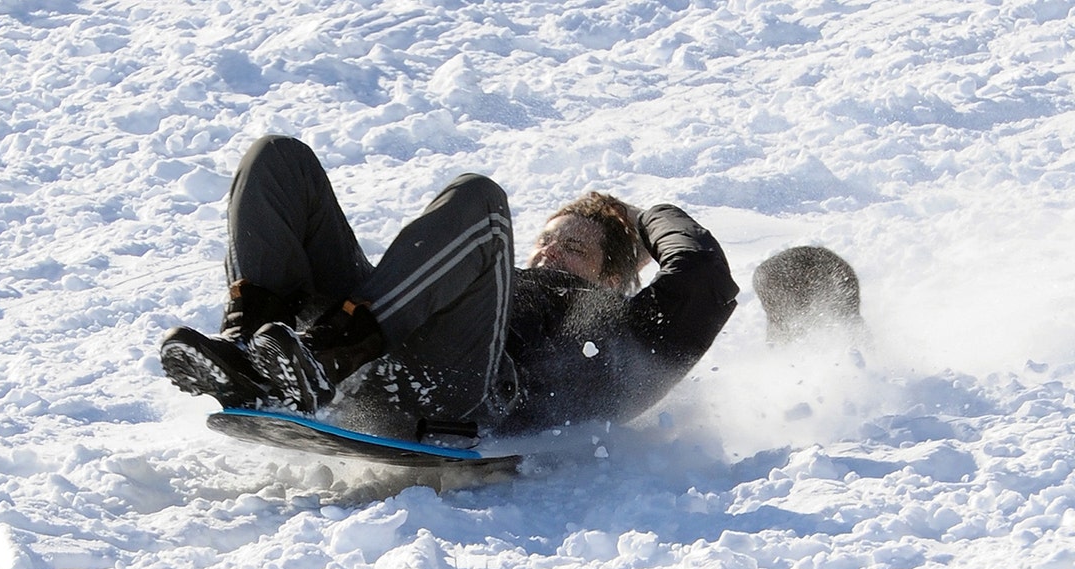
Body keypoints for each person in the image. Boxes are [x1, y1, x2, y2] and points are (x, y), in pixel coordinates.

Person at [160, 135, 739, 440]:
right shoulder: (505, 280)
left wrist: (642, 217)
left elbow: (705, 277)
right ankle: (253, 352)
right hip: (377, 345)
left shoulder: (622, 329)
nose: (547, 253)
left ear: (614, 276)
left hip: (462, 387)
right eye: (546, 240)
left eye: (575, 248)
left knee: (482, 201)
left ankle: (324, 360)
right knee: (279, 158)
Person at [752, 246, 866, 345]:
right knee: (786, 325)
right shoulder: (772, 280)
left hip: (791, 271)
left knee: (788, 325)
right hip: (783, 272)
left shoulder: (840, 284)